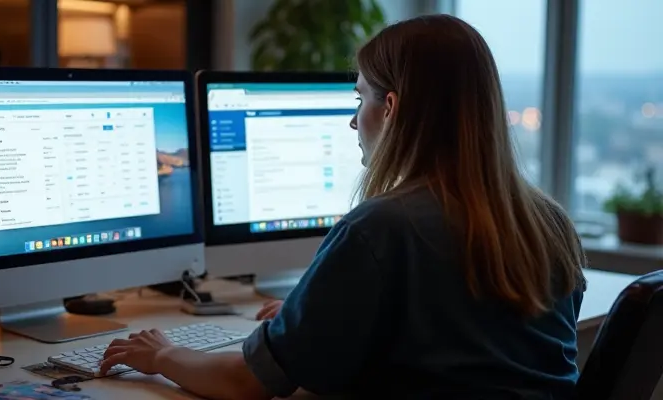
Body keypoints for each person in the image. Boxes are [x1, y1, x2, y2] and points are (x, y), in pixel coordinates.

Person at [98, 14, 587, 399]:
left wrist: (162, 354)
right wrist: (319, 317)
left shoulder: (380, 228)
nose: (355, 122)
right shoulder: (549, 222)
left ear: (391, 109)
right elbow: (466, 342)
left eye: (360, 99)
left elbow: (244, 382)